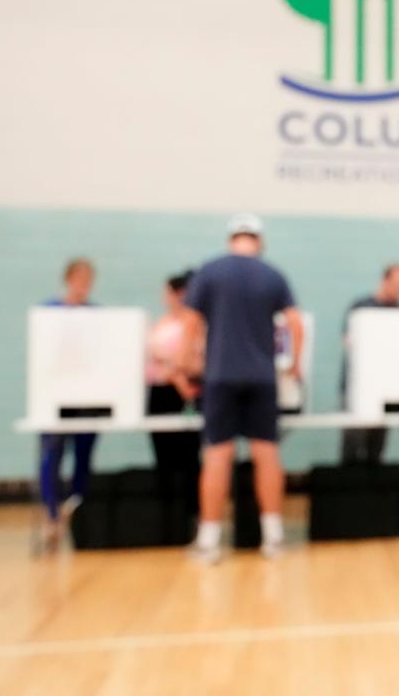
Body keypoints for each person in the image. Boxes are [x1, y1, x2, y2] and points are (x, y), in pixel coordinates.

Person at [181, 214, 303, 562]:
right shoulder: (272, 275)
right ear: (259, 241)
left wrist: (187, 361)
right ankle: (273, 537)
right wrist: (294, 364)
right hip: (263, 378)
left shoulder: (210, 271)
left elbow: (190, 321)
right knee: (267, 455)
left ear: (230, 239)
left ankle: (208, 541)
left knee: (218, 455)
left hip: (220, 376)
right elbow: (295, 324)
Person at [39, 257, 99, 547]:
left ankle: (75, 509)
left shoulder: (96, 316)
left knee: (84, 456)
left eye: (88, 280)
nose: (84, 285)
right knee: (52, 455)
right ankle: (51, 513)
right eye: (80, 279)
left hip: (86, 396)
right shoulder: (50, 313)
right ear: (68, 279)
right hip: (55, 395)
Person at [339, 263, 399, 464]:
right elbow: (347, 341)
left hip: (385, 390)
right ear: (385, 281)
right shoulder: (361, 307)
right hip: (355, 388)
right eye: (397, 284)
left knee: (376, 447)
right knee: (352, 443)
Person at [146, 270, 203, 492]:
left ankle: (191, 511)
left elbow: (193, 359)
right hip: (159, 392)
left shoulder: (195, 323)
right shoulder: (162, 322)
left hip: (185, 392)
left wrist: (178, 375)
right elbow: (154, 357)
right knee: (163, 454)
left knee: (188, 454)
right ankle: (168, 513)